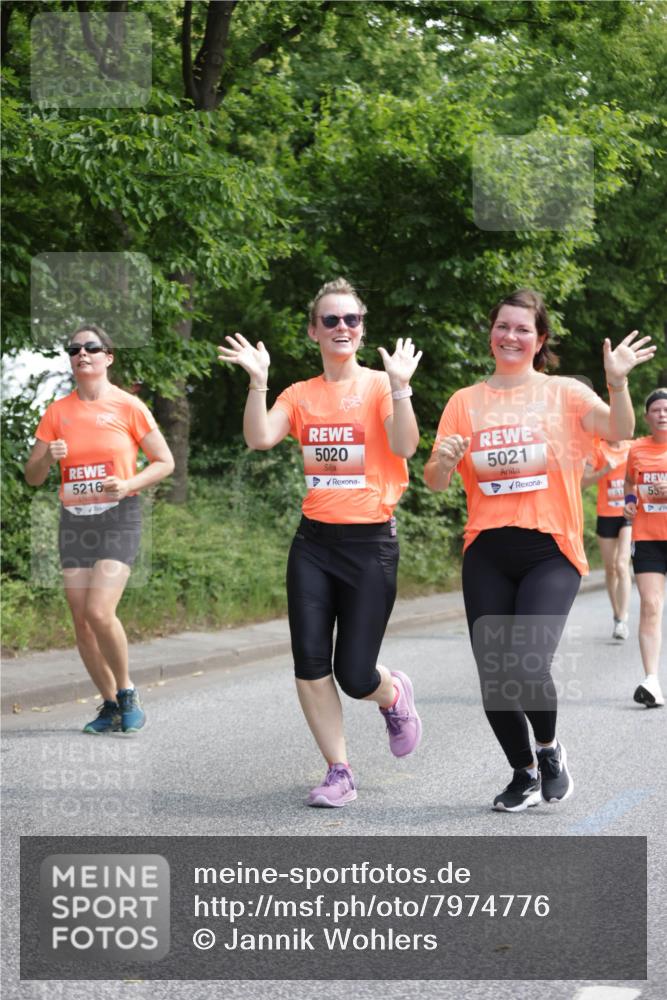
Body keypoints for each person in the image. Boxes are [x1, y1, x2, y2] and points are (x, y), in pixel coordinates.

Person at [424, 289, 655, 812]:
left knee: (527, 665)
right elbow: (436, 480)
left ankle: (549, 751)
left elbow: (620, 428)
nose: (510, 336)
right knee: (494, 679)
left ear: (540, 339)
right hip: (487, 548)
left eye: (522, 329)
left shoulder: (565, 395)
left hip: (551, 549)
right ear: (491, 333)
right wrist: (446, 457)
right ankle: (522, 773)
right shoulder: (465, 402)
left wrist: (617, 381)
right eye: (502, 326)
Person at [218, 278, 422, 807]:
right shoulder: (299, 394)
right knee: (310, 663)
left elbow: (405, 445)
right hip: (313, 545)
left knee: (355, 675)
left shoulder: (380, 385)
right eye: (329, 320)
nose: (341, 328)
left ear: (361, 329)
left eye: (350, 320)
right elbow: (260, 437)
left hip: (371, 545)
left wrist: (401, 389)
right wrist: (258, 382)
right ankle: (339, 771)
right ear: (314, 331)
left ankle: (392, 692)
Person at [24, 325, 174, 734]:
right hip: (74, 520)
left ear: (108, 356)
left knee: (98, 609)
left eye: (91, 348)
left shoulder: (129, 407)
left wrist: (129, 484)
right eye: (74, 349)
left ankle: (127, 691)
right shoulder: (57, 412)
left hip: (118, 515)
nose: (82, 354)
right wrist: (47, 459)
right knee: (81, 620)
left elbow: (165, 462)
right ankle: (109, 704)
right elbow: (33, 477)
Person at [623, 388, 667, 708]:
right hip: (648, 535)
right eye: (657, 410)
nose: (663, 414)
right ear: (647, 415)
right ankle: (651, 680)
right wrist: (628, 502)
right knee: (650, 605)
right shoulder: (636, 449)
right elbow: (629, 483)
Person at [581, 437, 633, 639]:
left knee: (622, 564)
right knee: (610, 568)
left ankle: (622, 619)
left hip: (628, 513)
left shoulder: (631, 448)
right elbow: (583, 483)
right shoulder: (597, 450)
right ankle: (616, 614)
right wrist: (604, 471)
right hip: (606, 515)